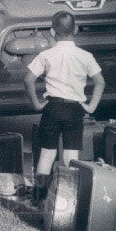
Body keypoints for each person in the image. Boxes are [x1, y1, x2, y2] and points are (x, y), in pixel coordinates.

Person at [24, 11, 105, 202]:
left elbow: (28, 79)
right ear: (75, 30)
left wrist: (36, 104)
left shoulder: (46, 55)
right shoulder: (85, 56)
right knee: (71, 156)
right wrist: (91, 106)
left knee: (46, 154)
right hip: (75, 110)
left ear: (53, 32)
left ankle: (39, 197)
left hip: (52, 108)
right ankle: (68, 199)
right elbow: (100, 82)